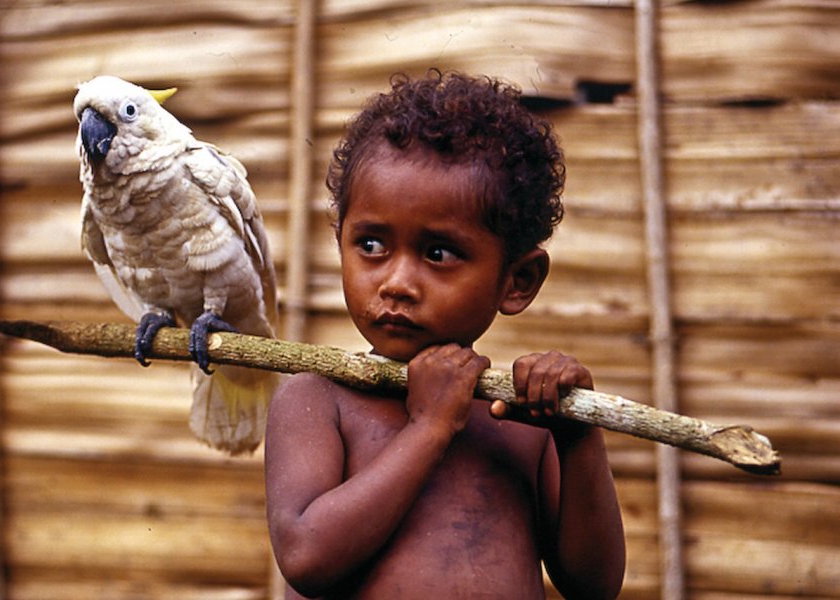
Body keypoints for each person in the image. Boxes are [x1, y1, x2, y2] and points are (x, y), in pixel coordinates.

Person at [265, 70, 625, 599]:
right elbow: (306, 556)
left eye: (438, 253)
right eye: (370, 245)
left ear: (517, 281)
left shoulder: (521, 420)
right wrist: (430, 427)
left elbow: (593, 586)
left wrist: (578, 438)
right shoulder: (317, 400)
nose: (396, 283)